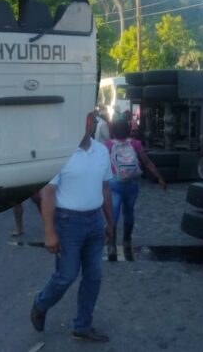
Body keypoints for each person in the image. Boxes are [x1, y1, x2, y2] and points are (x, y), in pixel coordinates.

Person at [30, 112, 115, 343]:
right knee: (66, 275)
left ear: (92, 123)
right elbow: (47, 193)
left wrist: (110, 222)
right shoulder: (59, 153)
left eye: (88, 120)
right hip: (68, 223)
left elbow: (105, 188)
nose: (84, 125)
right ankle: (41, 303)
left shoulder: (102, 151)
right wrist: (49, 231)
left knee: (94, 276)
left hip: (95, 221)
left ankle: (82, 325)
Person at [104, 118, 167, 256]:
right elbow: (146, 162)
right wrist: (159, 178)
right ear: (127, 129)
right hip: (132, 184)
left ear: (113, 130)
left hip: (114, 183)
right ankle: (127, 240)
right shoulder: (135, 144)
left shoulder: (107, 145)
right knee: (129, 212)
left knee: (113, 215)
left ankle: (112, 246)